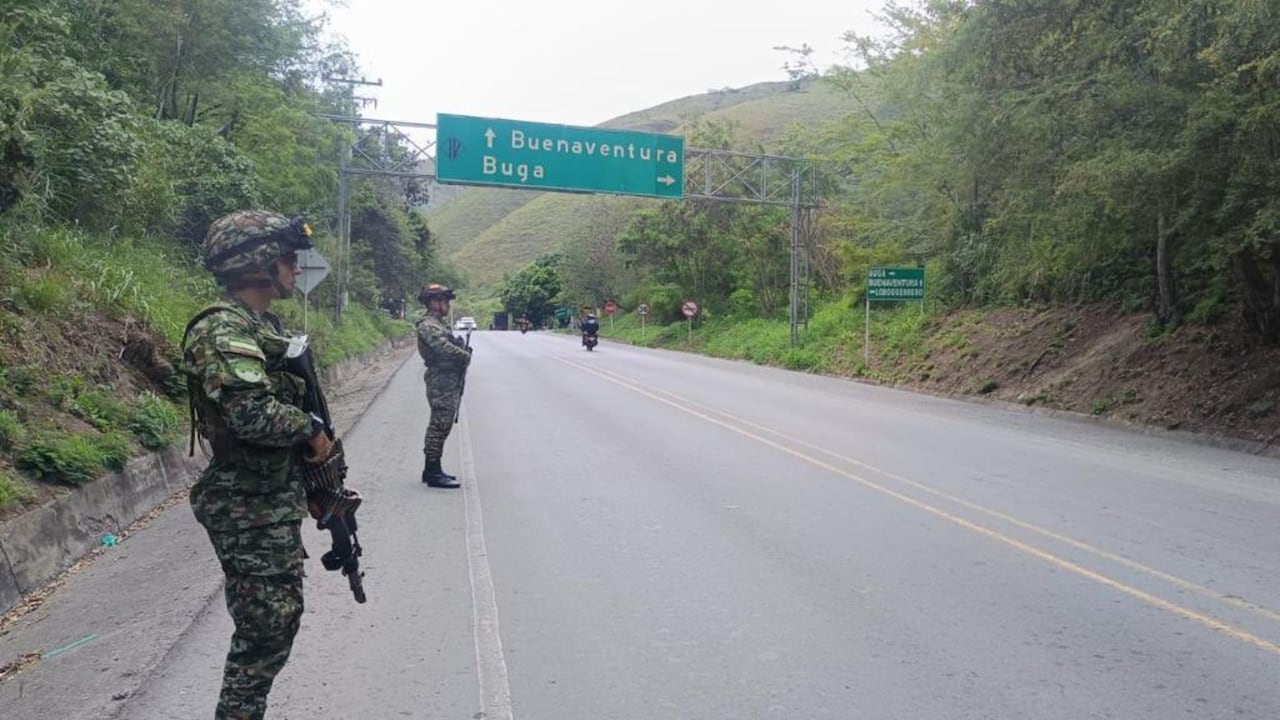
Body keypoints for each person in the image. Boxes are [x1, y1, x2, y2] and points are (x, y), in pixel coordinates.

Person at [181, 210, 336, 720]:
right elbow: (251, 414)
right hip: (245, 500)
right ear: (256, 265)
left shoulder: (261, 326)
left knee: (276, 623)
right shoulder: (222, 330)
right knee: (264, 630)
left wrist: (315, 483)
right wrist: (310, 431)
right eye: (287, 259)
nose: (296, 268)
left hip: (270, 493)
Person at [416, 283, 471, 488]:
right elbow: (441, 347)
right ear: (434, 302)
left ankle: (431, 469)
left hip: (448, 379)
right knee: (439, 425)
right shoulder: (428, 324)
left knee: (443, 423)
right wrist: (463, 355)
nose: (447, 304)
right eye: (444, 300)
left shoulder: (439, 324)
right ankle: (433, 471)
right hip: (441, 380)